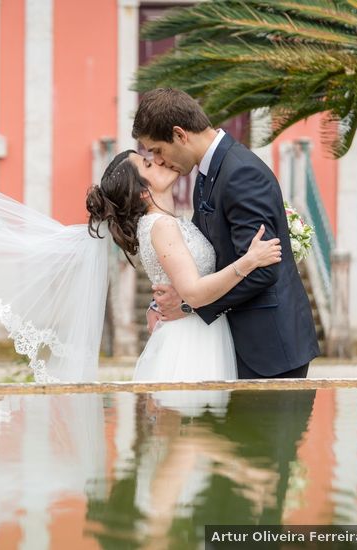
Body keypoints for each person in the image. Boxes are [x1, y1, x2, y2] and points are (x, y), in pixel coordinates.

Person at [131, 89, 319, 379]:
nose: (158, 160)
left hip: (270, 351)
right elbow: (205, 255)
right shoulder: (206, 175)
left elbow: (263, 270)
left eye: (157, 149)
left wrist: (190, 306)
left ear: (180, 135)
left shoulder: (241, 173)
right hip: (239, 346)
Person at [85, 150, 281, 381]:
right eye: (148, 165)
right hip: (188, 342)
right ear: (143, 193)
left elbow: (181, 280)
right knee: (188, 409)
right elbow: (194, 292)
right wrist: (250, 261)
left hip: (198, 333)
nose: (159, 160)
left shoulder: (167, 222)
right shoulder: (162, 226)